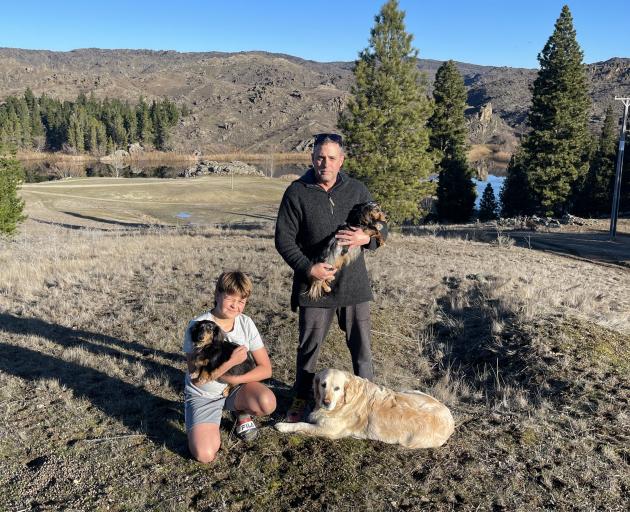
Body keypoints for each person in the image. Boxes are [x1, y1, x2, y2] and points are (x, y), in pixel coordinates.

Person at [274, 133, 388, 422]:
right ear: (312, 158)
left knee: (362, 349)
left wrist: (367, 237)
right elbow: (283, 240)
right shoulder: (297, 192)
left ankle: (368, 403)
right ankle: (301, 400)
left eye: (331, 157)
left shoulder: (358, 190)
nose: (325, 163)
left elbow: (384, 227)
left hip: (354, 286)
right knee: (308, 349)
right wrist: (308, 267)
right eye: (320, 157)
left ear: (341, 160)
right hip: (315, 286)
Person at [183, 271, 276, 463]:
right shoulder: (198, 327)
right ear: (217, 294)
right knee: (205, 454)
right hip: (204, 395)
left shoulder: (246, 323)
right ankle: (201, 418)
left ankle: (240, 413)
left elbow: (266, 369)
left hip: (236, 389)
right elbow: (196, 378)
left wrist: (234, 381)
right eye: (230, 298)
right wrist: (231, 362)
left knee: (266, 402)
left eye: (241, 301)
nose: (235, 305)